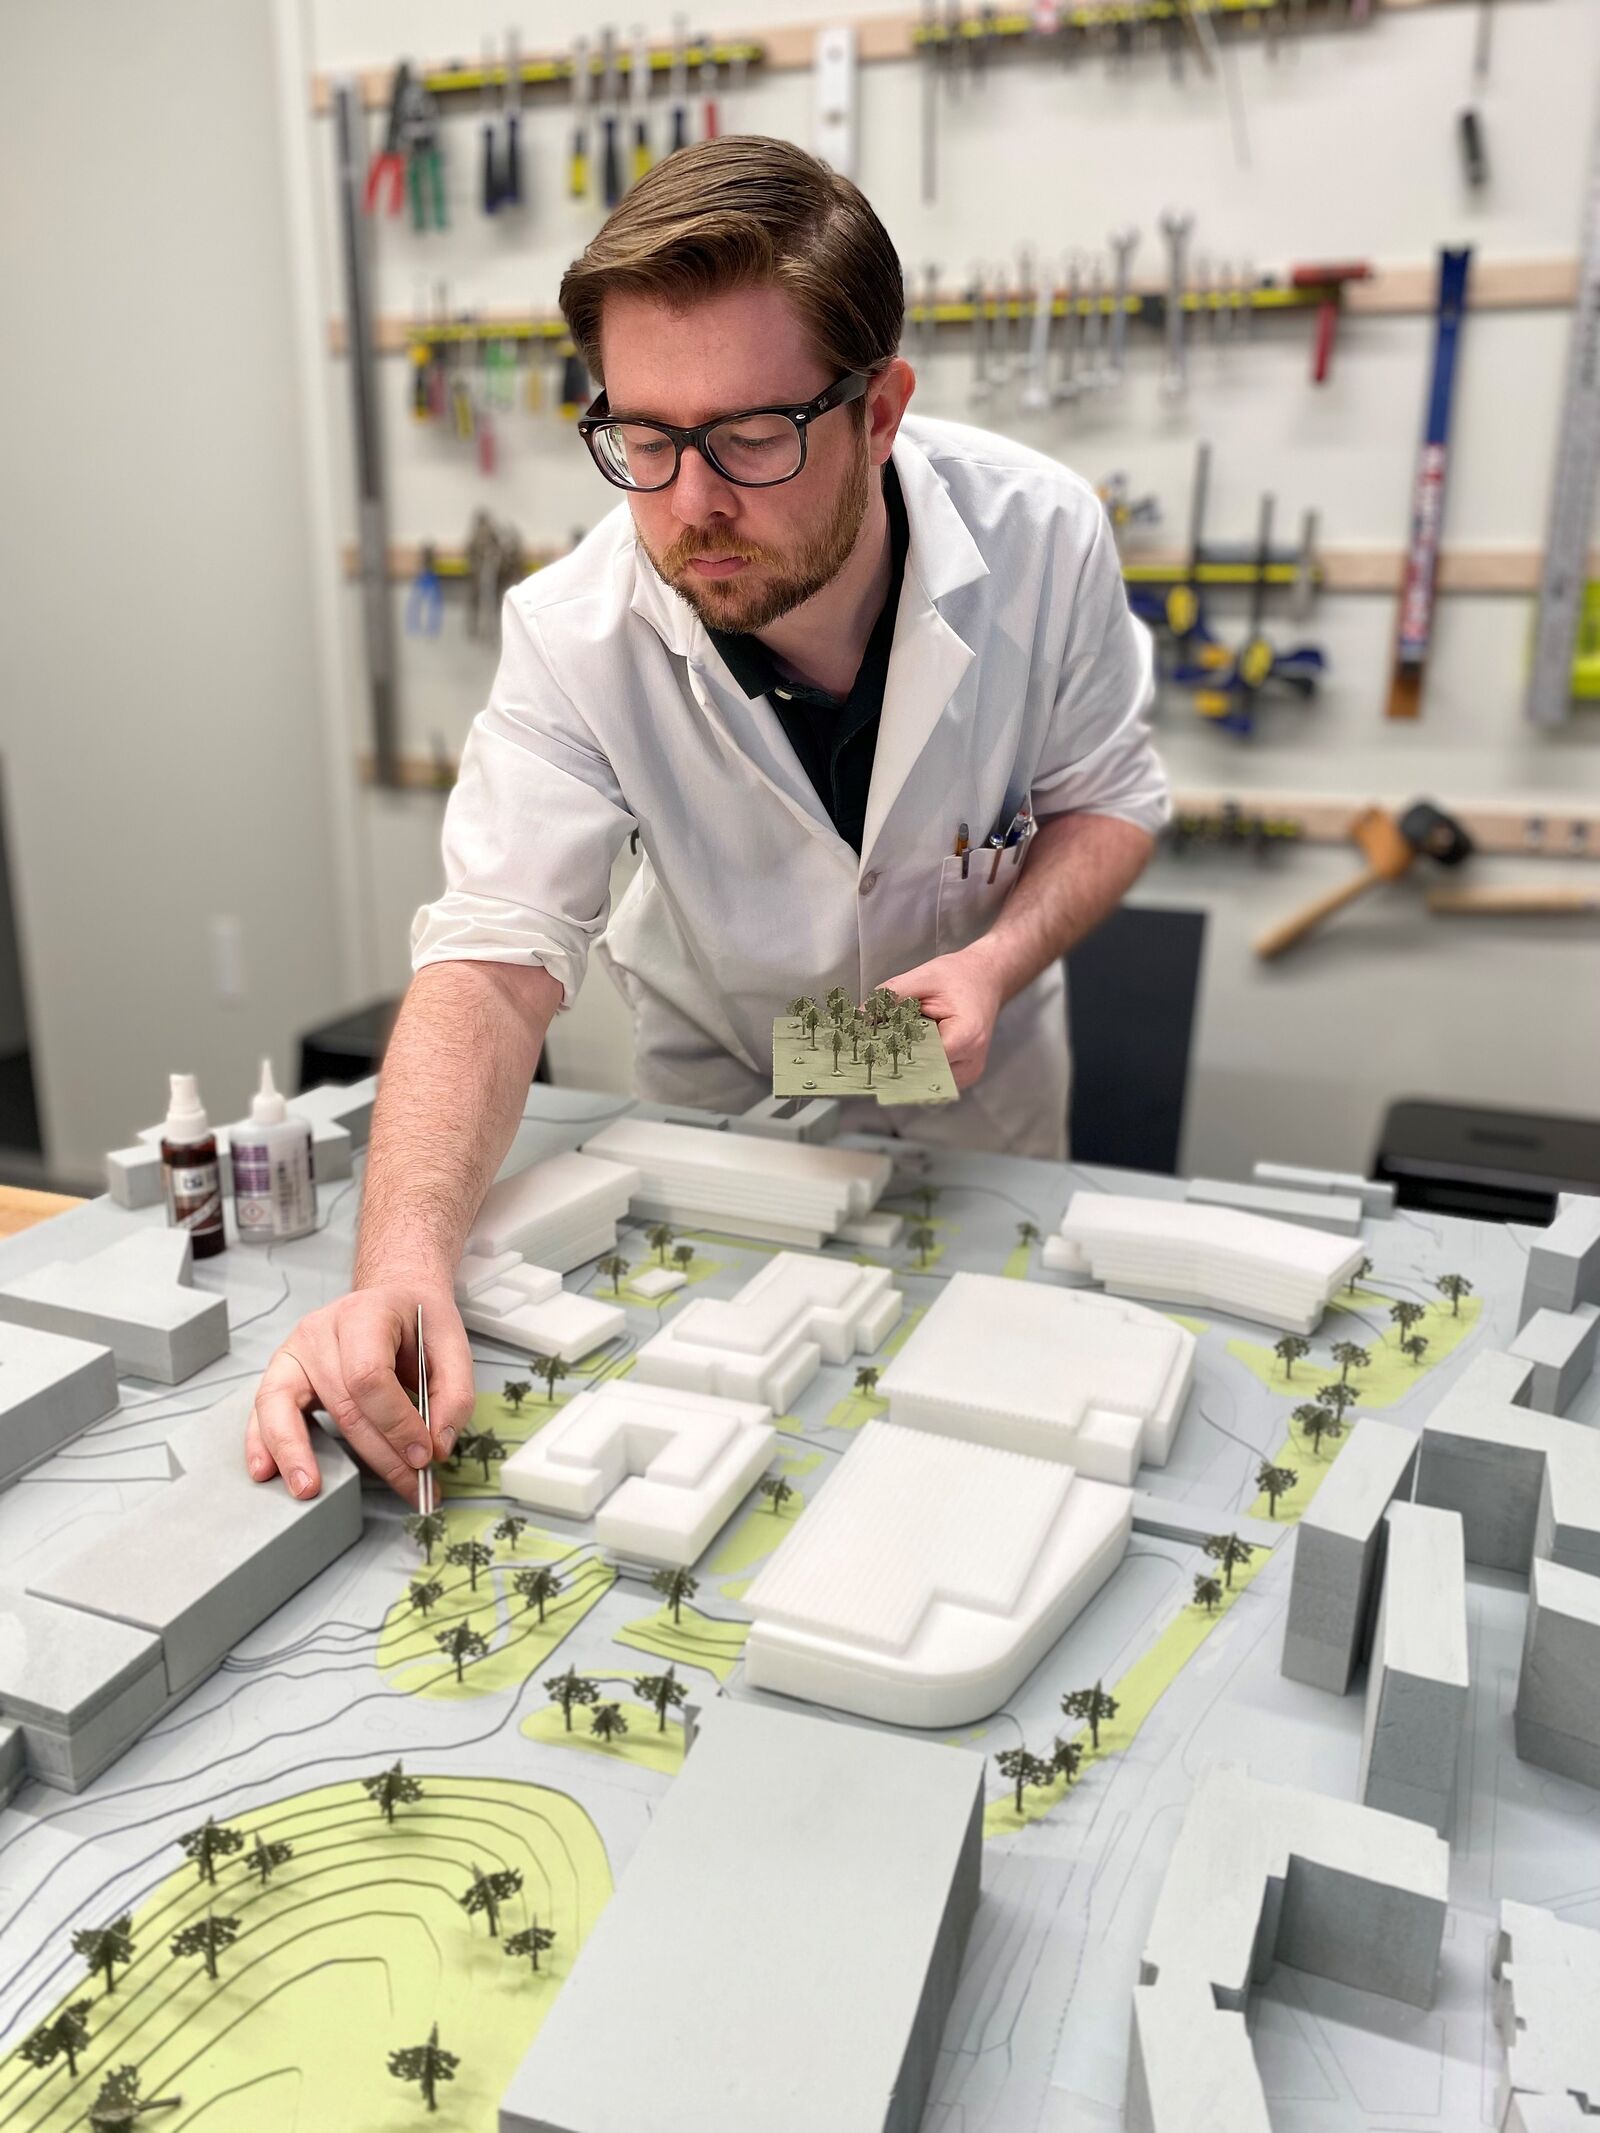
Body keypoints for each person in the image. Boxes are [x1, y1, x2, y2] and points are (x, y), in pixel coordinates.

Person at [244, 136, 1169, 1507]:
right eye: (645, 438)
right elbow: (490, 963)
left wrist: (994, 960)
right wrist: (399, 1269)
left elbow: (1108, 802)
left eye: (750, 436)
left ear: (880, 410)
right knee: (738, 1467)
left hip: (978, 1111)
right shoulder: (574, 634)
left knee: (975, 1473)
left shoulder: (1044, 538)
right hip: (728, 1105)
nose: (691, 505)